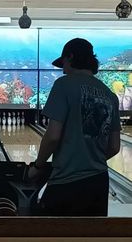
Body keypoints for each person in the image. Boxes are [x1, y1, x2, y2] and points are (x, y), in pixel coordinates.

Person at [29, 38, 121, 216]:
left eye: (63, 63)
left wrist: (38, 166)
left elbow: (53, 136)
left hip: (67, 182)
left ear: (70, 57)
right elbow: (114, 146)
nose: (62, 69)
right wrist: (89, 161)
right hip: (99, 182)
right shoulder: (110, 95)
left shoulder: (63, 84)